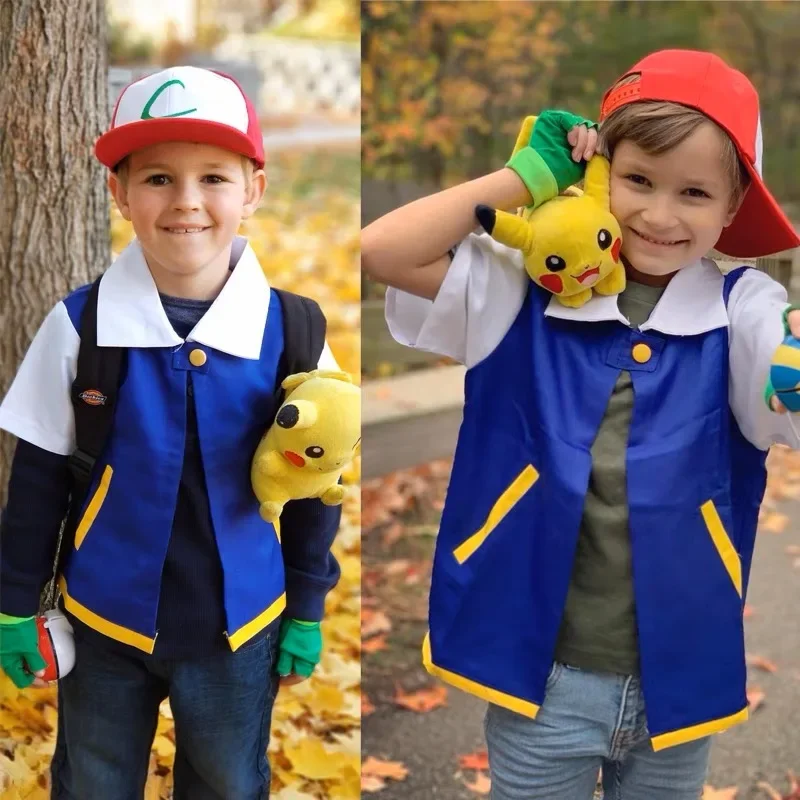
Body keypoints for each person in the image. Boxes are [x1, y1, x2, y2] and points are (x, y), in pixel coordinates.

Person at [361, 49, 800, 799]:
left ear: (731, 209)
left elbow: (782, 353)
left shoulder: (742, 305)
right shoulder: (526, 287)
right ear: (601, 173)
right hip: (546, 683)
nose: (660, 215)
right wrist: (530, 177)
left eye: (694, 192)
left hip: (681, 681)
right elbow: (382, 250)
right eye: (638, 181)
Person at [0, 66, 343, 799]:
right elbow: (36, 481)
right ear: (119, 193)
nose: (186, 201)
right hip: (102, 625)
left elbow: (319, 483)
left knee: (225, 784)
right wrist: (12, 604)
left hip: (239, 634)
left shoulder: (297, 332)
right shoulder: (78, 327)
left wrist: (309, 606)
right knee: (93, 782)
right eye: (157, 178)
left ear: (254, 189)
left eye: (213, 177)